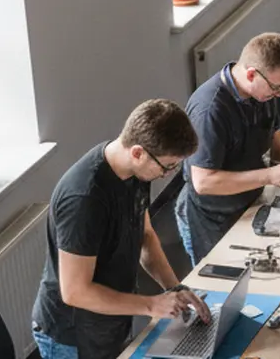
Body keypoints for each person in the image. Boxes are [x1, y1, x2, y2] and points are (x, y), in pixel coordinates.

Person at [31, 100, 210, 359]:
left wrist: (174, 288)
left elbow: (145, 236)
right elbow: (75, 291)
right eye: (167, 166)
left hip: (111, 318)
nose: (166, 175)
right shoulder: (85, 199)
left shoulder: (135, 173)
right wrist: (150, 304)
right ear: (138, 152)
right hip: (72, 336)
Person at [176, 33, 280, 264]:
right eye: (276, 88)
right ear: (250, 74)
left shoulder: (263, 93)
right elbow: (204, 182)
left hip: (250, 203)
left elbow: (273, 132)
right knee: (221, 286)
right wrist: (270, 175)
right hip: (213, 216)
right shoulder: (209, 111)